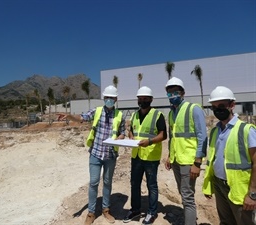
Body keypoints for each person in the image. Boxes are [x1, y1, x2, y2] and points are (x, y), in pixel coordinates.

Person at [58, 85, 125, 225]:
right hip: (95, 153)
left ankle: (106, 210)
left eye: (112, 98)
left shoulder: (120, 115)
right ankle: (91, 212)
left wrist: (121, 137)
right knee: (93, 183)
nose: (109, 100)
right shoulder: (97, 111)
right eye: (107, 98)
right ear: (104, 98)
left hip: (110, 154)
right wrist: (70, 116)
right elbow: (82, 117)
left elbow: (123, 131)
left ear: (116, 99)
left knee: (107, 183)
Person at [202, 86, 256, 225]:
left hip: (240, 189)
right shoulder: (215, 131)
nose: (217, 110)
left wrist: (252, 194)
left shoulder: (246, 130)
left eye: (221, 105)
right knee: (226, 221)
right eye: (214, 107)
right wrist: (210, 185)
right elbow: (213, 160)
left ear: (232, 105)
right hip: (219, 185)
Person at [164, 77, 207, 225]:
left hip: (189, 161)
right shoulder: (171, 113)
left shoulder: (193, 109)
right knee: (183, 193)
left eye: (175, 92)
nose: (173, 96)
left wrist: (197, 162)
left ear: (183, 93)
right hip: (176, 160)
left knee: (188, 197)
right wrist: (169, 156)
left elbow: (202, 136)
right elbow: (172, 137)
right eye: (169, 93)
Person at [123, 86, 167, 225]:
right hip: (136, 155)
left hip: (151, 157)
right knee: (134, 183)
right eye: (140, 99)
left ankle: (152, 212)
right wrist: (131, 137)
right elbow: (132, 131)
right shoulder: (135, 115)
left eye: (145, 99)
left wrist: (149, 141)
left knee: (151, 185)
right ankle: (135, 209)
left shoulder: (157, 115)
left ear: (151, 100)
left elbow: (163, 135)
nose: (142, 101)